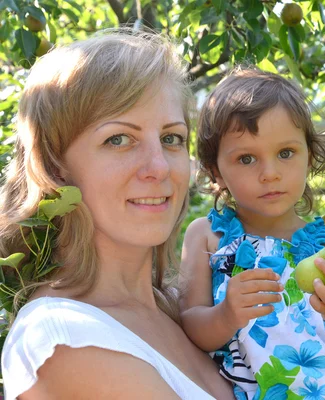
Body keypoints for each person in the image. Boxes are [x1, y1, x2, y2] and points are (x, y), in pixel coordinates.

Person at [0, 30, 233, 400]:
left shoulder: (188, 313)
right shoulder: (63, 338)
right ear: (56, 167)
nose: (159, 167)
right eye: (119, 139)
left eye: (171, 138)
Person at [179, 66, 325, 399]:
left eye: (285, 153)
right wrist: (226, 315)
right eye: (247, 158)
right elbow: (190, 326)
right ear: (214, 171)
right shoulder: (208, 237)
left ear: (310, 156)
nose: (270, 173)